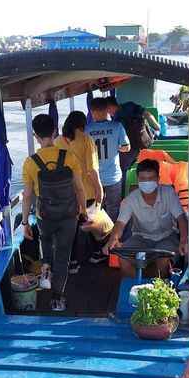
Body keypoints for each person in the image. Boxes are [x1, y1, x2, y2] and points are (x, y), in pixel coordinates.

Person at [21, 114, 87, 311]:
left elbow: (26, 196)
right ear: (55, 131)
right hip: (68, 215)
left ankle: (46, 269)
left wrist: (25, 223)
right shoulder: (68, 157)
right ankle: (58, 299)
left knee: (46, 244)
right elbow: (80, 189)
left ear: (35, 135)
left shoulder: (30, 162)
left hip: (45, 215)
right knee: (63, 255)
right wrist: (83, 211)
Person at [102, 159, 188, 278]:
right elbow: (120, 224)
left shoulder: (169, 192)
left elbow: (181, 218)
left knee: (162, 262)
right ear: (138, 180)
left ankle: (153, 284)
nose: (146, 182)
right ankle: (135, 287)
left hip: (167, 237)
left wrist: (184, 240)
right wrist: (113, 239)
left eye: (150, 178)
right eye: (143, 179)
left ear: (158, 179)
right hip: (140, 238)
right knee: (123, 259)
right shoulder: (130, 200)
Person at [56, 111, 103, 272]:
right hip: (86, 192)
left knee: (71, 229)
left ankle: (73, 262)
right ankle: (97, 253)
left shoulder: (57, 142)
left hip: (67, 194)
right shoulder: (86, 140)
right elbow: (92, 170)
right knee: (92, 223)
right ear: (83, 124)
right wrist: (99, 189)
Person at [84, 97, 130, 222]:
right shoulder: (117, 126)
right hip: (113, 176)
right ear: (107, 110)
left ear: (92, 112)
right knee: (113, 209)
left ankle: (95, 236)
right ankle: (112, 236)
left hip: (92, 178)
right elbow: (127, 147)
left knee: (93, 209)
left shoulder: (86, 130)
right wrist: (116, 147)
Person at [107, 97, 160, 198]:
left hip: (130, 149)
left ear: (110, 106)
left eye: (108, 110)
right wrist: (157, 127)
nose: (108, 113)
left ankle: (120, 197)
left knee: (120, 170)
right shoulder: (129, 105)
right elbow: (147, 114)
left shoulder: (116, 119)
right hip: (142, 143)